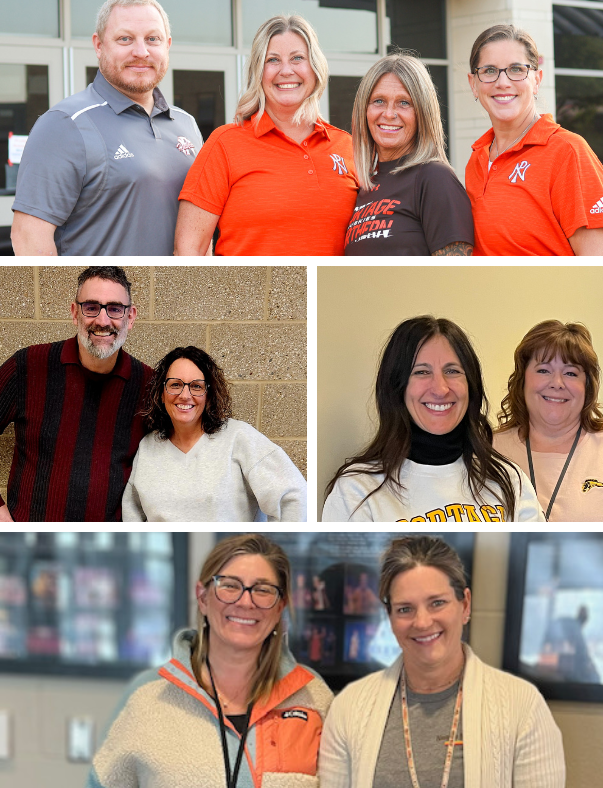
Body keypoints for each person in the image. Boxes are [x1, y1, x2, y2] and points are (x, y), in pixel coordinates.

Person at [86, 534, 333, 788]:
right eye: (230, 586)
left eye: (262, 590)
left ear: (280, 607)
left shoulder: (313, 697)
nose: (246, 602)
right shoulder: (147, 695)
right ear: (203, 598)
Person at [318, 535, 564, 788]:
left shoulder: (522, 706)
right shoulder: (349, 708)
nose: (422, 622)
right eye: (405, 609)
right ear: (389, 617)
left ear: (465, 605)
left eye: (437, 603)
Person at [11, 0, 202, 256]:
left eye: (152, 39)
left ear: (167, 45)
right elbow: (28, 238)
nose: (141, 51)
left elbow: (200, 229)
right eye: (125, 39)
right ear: (99, 46)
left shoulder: (186, 124)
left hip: (176, 294)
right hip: (103, 297)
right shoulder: (64, 123)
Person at [322, 316, 542, 522]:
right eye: (421, 372)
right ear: (397, 386)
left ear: (471, 385)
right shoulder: (356, 490)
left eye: (453, 371)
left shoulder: (509, 481)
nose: (441, 388)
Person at [175, 15, 357, 255]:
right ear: (258, 72)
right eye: (273, 60)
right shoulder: (225, 144)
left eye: (297, 58)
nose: (286, 70)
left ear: (315, 67)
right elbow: (189, 250)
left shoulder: (348, 147)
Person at [0, 266, 151, 522]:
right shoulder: (27, 366)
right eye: (91, 307)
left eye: (115, 309)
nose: (103, 321)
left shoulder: (148, 385)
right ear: (74, 313)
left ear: (131, 317)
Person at [465, 24, 603, 256]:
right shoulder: (477, 158)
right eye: (489, 71)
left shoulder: (568, 152)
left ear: (537, 79)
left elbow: (599, 271)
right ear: (473, 84)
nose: (502, 82)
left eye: (516, 69)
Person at [493, 320, 603, 521]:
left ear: (588, 386)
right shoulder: (486, 452)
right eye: (543, 370)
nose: (557, 383)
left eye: (570, 373)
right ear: (522, 380)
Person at [122, 346, 306, 521]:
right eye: (175, 384)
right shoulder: (148, 447)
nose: (185, 395)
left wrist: (275, 548)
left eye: (196, 386)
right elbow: (132, 516)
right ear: (162, 393)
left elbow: (294, 496)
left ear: (208, 395)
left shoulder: (239, 438)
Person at [344, 54, 474, 255]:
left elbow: (457, 279)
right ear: (364, 110)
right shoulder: (365, 186)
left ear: (422, 113)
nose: (388, 114)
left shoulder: (434, 178)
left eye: (404, 103)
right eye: (379, 101)